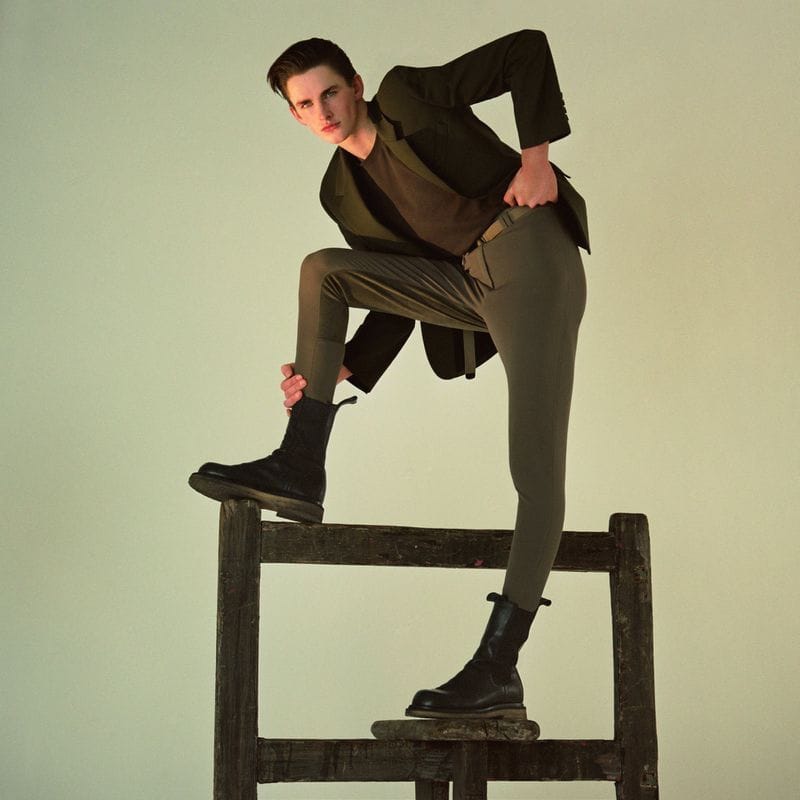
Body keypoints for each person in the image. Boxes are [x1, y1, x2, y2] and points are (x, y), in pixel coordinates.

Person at [189, 30, 589, 720]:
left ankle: (497, 668)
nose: (323, 112)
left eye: (330, 93)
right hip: (467, 286)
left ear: (357, 87)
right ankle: (299, 462)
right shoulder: (341, 191)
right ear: (295, 115)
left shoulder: (408, 97)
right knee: (324, 270)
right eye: (305, 104)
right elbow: (398, 286)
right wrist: (337, 367)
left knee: (534, 468)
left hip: (528, 255)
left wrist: (536, 162)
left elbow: (525, 50)